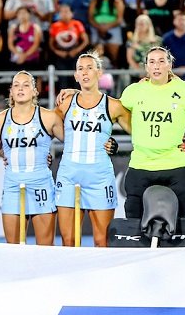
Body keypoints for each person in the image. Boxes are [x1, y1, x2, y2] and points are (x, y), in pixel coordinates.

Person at [119, 47, 185, 220]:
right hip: (140, 164)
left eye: (161, 61)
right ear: (146, 67)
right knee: (132, 222)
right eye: (152, 62)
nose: (157, 66)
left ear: (170, 65)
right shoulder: (132, 92)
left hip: (176, 164)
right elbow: (111, 109)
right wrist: (75, 93)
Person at [55, 53, 130, 246]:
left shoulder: (113, 105)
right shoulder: (65, 103)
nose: (85, 72)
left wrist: (115, 145)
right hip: (69, 175)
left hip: (99, 177)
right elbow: (43, 125)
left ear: (100, 72)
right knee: (68, 241)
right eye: (80, 68)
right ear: (76, 75)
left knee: (101, 241)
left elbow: (139, 132)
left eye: (89, 67)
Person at [0, 71, 64, 245]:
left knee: (45, 248)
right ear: (11, 91)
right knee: (13, 250)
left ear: (35, 91)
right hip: (12, 186)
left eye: (26, 85)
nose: (21, 88)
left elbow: (73, 142)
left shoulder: (49, 117)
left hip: (41, 185)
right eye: (16, 85)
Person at [50, 4, 90, 88]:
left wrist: (76, 50)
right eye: (62, 12)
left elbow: (85, 40)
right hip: (60, 53)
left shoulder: (77, 24)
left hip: (75, 52)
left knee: (77, 76)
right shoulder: (55, 25)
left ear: (72, 13)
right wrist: (57, 51)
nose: (64, 14)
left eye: (66, 12)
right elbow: (51, 43)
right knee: (63, 78)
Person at [88, 0, 124, 66]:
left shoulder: (117, 2)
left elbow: (119, 19)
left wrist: (107, 27)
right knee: (96, 49)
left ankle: (114, 67)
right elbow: (90, 18)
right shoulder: (94, 1)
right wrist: (99, 27)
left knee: (114, 47)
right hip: (97, 27)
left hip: (112, 27)